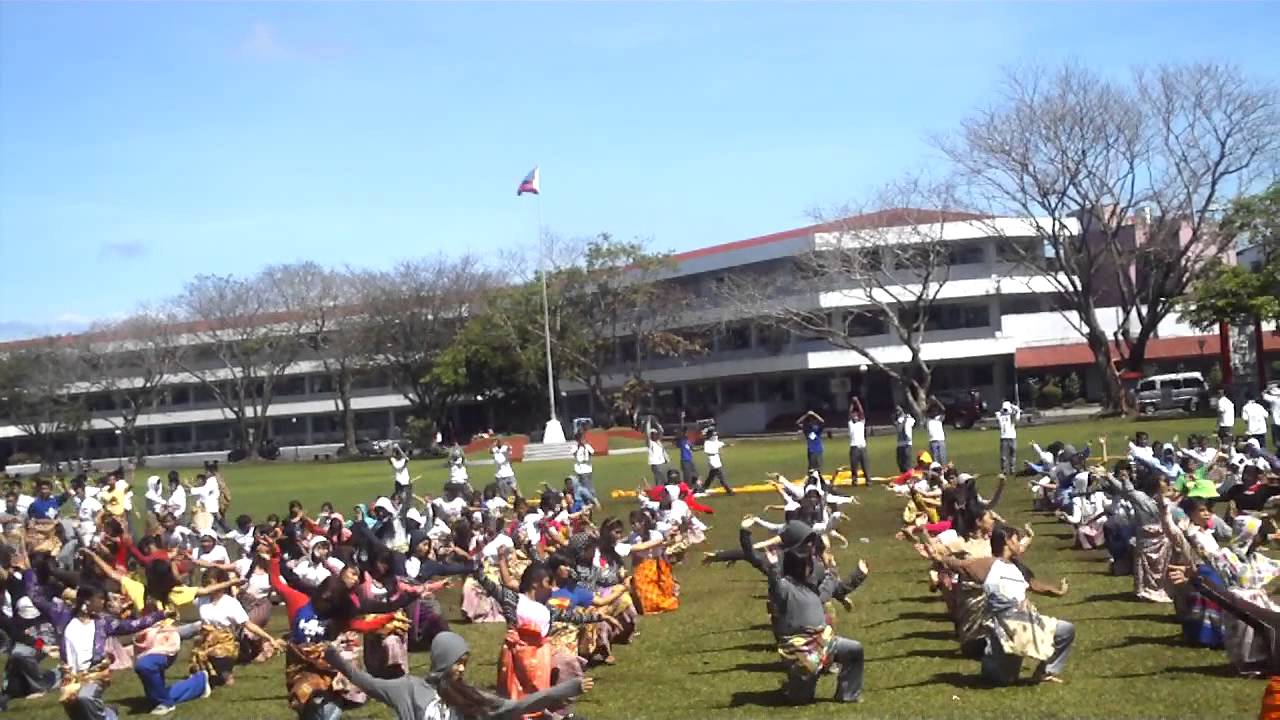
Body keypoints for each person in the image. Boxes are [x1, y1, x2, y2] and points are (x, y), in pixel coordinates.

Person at [738, 518, 868, 704]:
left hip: (822, 639)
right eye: (806, 540)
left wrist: (857, 575)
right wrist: (745, 533)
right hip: (799, 645)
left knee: (854, 650)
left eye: (811, 541)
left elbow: (833, 589)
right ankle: (796, 686)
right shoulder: (781, 572)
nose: (810, 546)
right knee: (801, 695)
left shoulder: (815, 568)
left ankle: (848, 694)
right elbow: (753, 558)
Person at [979, 525, 1074, 684]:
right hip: (1004, 628)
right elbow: (965, 568)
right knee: (1003, 679)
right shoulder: (989, 566)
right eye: (1017, 540)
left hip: (1024, 623)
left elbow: (1033, 584)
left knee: (1065, 630)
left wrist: (1057, 592)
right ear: (1008, 542)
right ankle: (991, 664)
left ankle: (1045, 672)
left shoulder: (1015, 566)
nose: (1020, 545)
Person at [847, 396, 871, 484]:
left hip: (862, 447)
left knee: (865, 465)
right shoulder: (851, 424)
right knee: (854, 465)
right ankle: (854, 480)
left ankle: (868, 480)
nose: (855, 416)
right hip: (854, 447)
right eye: (853, 415)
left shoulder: (861, 423)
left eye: (856, 415)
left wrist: (857, 402)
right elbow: (849, 414)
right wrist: (852, 404)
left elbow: (862, 412)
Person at [702, 429, 734, 495]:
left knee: (711, 477)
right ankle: (729, 490)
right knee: (721, 477)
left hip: (717, 461)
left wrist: (729, 445)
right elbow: (707, 452)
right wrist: (716, 452)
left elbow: (721, 444)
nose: (714, 436)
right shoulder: (707, 443)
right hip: (713, 462)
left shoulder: (715, 441)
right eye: (713, 435)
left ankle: (703, 488)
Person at [997, 401, 1022, 476]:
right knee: (1004, 456)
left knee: (1012, 455)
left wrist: (1012, 407)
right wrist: (1013, 408)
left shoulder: (1011, 416)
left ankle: (1012, 469)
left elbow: (1017, 415)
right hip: (1004, 438)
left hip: (1011, 438)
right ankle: (1004, 470)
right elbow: (999, 419)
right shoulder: (1000, 416)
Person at [571, 430, 597, 502]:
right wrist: (579, 447)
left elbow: (592, 452)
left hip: (587, 468)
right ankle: (588, 498)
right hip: (580, 469)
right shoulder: (575, 447)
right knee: (583, 484)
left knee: (588, 484)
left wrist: (585, 447)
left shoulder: (587, 446)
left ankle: (592, 498)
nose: (582, 440)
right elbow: (573, 453)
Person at [925, 396, 947, 465]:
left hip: (940, 440)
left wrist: (936, 401)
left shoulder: (939, 418)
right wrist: (930, 403)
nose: (933, 413)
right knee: (935, 460)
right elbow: (924, 411)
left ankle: (943, 470)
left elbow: (943, 409)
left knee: (943, 458)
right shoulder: (928, 420)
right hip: (933, 441)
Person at [893, 406, 915, 473]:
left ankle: (909, 475)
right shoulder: (898, 420)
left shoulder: (909, 419)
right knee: (900, 463)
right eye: (896, 410)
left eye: (899, 409)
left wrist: (906, 418)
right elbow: (897, 425)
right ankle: (903, 475)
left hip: (907, 444)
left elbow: (913, 422)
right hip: (899, 444)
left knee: (907, 463)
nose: (897, 411)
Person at [1265, 382, 1280, 450]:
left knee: (1276, 440)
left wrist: (1268, 388)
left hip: (1276, 421)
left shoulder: (1273, 399)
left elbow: (1263, 394)